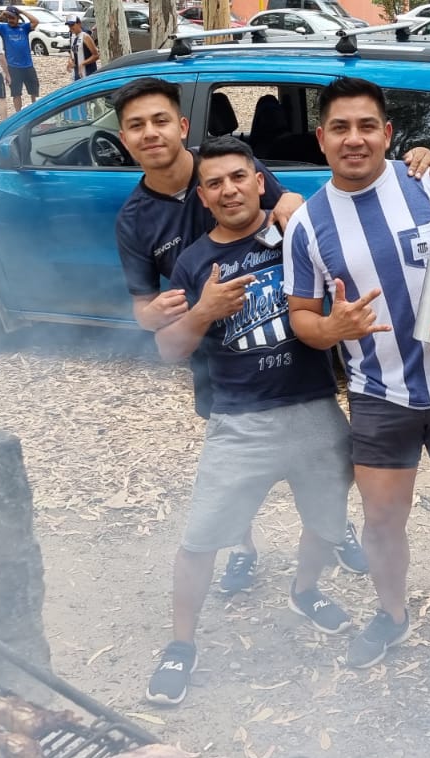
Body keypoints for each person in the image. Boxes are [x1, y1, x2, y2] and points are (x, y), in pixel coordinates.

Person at [113, 78, 430, 591]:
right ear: (125, 138)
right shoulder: (134, 219)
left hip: (289, 346)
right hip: (218, 361)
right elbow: (142, 310)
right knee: (234, 467)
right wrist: (163, 314)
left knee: (321, 459)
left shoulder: (226, 165)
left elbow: (288, 207)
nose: (150, 133)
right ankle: (242, 546)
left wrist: (416, 157)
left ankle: (332, 527)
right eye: (136, 126)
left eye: (158, 121)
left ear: (181, 126)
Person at [283, 77, 430, 687]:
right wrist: (331, 327)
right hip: (379, 396)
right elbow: (302, 319)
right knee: (382, 521)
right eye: (340, 128)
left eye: (366, 127)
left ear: (387, 133)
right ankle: (391, 614)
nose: (354, 139)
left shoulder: (428, 182)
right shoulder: (307, 225)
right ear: (322, 139)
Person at [145, 137, 356, 706]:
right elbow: (169, 349)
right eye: (214, 184)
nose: (228, 189)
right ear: (203, 196)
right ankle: (180, 644)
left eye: (239, 177)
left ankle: (304, 590)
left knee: (327, 521)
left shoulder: (297, 232)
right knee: (199, 540)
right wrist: (202, 311)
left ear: (260, 180)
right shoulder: (192, 263)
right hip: (240, 422)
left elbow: (350, 209)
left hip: (314, 405)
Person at [0, 6, 41, 111]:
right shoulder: (4, 28)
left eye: (13, 18)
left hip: (28, 65)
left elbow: (36, 21)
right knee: (16, 93)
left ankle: (36, 111)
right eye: (9, 18)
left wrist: (22, 12)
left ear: (17, 18)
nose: (11, 20)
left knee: (34, 91)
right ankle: (18, 114)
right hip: (13, 67)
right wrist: (1, 15)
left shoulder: (24, 27)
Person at [64, 15, 98, 81]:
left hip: (88, 73)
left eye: (72, 25)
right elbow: (73, 52)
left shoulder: (85, 36)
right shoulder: (72, 35)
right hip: (77, 73)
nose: (71, 28)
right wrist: (70, 60)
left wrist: (83, 63)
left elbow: (96, 55)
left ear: (79, 24)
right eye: (69, 26)